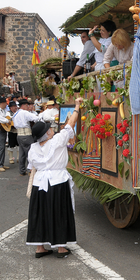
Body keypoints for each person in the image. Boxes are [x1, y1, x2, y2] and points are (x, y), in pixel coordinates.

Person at [26, 97, 83, 258]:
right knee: (60, 212)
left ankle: (40, 248)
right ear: (47, 133)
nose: (51, 129)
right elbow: (70, 124)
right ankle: (61, 248)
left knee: (39, 213)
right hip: (57, 181)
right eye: (49, 128)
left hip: (40, 184)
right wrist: (77, 106)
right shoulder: (57, 140)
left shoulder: (33, 148)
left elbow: (32, 167)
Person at [14, 99, 40, 176]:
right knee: (30, 152)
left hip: (19, 134)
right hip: (26, 134)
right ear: (23, 105)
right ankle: (30, 170)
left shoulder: (16, 113)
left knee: (22, 153)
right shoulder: (25, 112)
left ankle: (22, 170)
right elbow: (36, 118)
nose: (28, 106)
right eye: (27, 105)